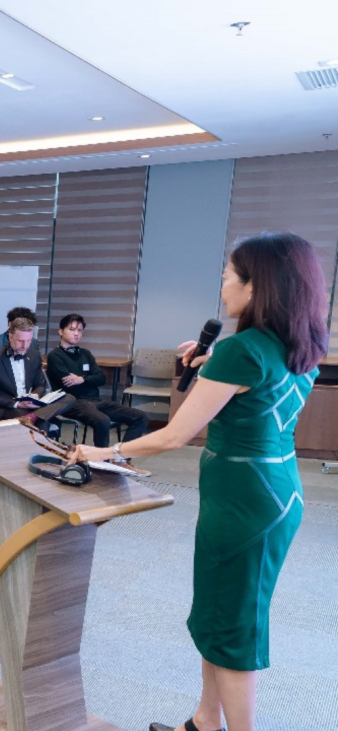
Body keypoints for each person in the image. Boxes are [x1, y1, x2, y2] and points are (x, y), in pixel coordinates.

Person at [67, 233, 328, 731]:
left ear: (256, 287)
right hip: (273, 492)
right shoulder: (296, 343)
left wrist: (106, 451)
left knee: (234, 632)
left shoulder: (241, 350)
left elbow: (174, 436)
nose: (223, 286)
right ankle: (205, 721)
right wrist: (215, 368)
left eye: (228, 276)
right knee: (219, 616)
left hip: (243, 503)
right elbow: (258, 394)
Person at [47, 314, 149, 449]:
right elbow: (68, 383)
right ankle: (102, 462)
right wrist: (88, 379)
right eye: (72, 329)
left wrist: (81, 379)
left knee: (141, 417)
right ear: (61, 331)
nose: (76, 334)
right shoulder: (55, 356)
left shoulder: (85, 353)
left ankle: (122, 459)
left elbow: (101, 378)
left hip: (95, 400)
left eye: (80, 330)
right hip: (72, 402)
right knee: (102, 420)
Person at [0, 318, 76, 427]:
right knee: (42, 421)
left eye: (28, 341)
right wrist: (19, 403)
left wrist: (35, 395)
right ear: (10, 337)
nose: (25, 346)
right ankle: (35, 418)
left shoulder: (34, 355)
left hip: (30, 402)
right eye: (20, 341)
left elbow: (40, 384)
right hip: (8, 406)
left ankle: (32, 417)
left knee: (69, 398)